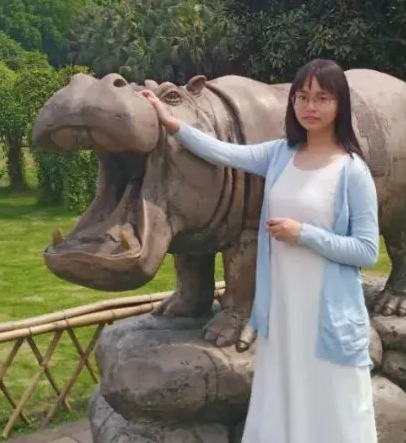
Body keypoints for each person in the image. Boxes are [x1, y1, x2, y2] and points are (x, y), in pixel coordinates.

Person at [140, 58, 379, 443]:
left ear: (340, 105)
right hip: (282, 310)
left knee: (334, 404)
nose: (310, 106)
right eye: (302, 96)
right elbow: (221, 152)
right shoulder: (280, 155)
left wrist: (305, 234)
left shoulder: (352, 171)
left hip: (326, 314)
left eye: (322, 98)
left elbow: (366, 251)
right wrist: (171, 122)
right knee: (283, 399)